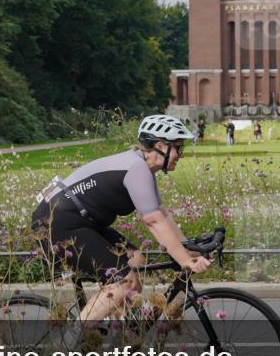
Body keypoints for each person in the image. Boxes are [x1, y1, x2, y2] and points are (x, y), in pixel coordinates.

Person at [30, 114, 211, 328]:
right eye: (178, 148)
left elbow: (161, 214)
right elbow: (153, 222)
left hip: (83, 222)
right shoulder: (136, 168)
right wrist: (186, 261)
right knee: (124, 283)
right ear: (161, 146)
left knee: (136, 260)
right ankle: (71, 340)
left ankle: (123, 334)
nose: (181, 155)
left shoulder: (142, 168)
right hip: (57, 224)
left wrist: (187, 247)